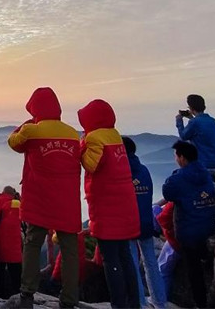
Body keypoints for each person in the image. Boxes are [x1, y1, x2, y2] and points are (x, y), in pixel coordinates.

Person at [8, 87, 82, 309]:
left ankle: (27, 294)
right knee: (70, 250)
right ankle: (69, 300)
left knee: (32, 243)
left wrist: (27, 123)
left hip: (39, 197)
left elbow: (14, 143)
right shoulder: (72, 133)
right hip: (67, 200)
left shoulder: (32, 131)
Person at [78, 99, 140, 309]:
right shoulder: (115, 135)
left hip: (107, 207)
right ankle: (134, 303)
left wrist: (81, 146)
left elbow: (90, 164)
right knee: (125, 257)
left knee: (110, 259)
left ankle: (118, 304)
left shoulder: (95, 137)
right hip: (125, 205)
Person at [163, 141, 215, 309]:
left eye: (176, 156)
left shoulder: (179, 178)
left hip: (189, 232)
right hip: (208, 226)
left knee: (194, 271)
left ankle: (200, 304)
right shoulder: (205, 173)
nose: (175, 159)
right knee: (204, 263)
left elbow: (167, 192)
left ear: (182, 158)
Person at [122, 137, 167, 309]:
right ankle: (160, 301)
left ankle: (139, 302)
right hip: (147, 221)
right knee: (151, 263)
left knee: (132, 263)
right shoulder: (145, 171)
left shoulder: (122, 172)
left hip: (129, 223)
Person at [0, 186, 22, 299]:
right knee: (16, 276)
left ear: (3, 192)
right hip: (15, 247)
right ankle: (19, 297)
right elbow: (25, 215)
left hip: (0, 244)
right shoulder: (17, 204)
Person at [175, 94, 215, 169]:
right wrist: (191, 118)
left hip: (202, 164)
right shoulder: (213, 121)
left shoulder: (194, 122)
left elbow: (183, 136)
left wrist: (179, 121)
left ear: (191, 108)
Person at [155, 202, 180, 297]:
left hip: (177, 241)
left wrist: (165, 232)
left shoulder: (175, 201)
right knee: (155, 208)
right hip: (194, 233)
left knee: (162, 269)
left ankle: (162, 298)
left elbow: (163, 221)